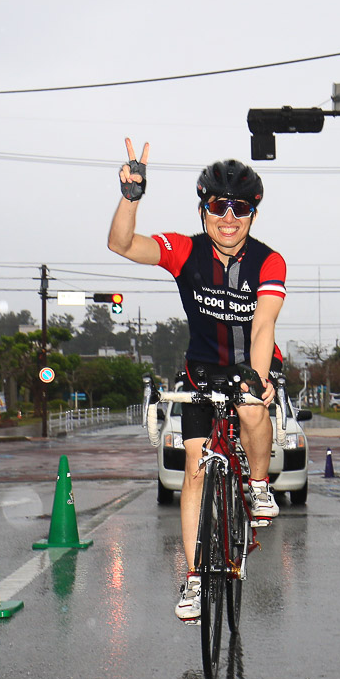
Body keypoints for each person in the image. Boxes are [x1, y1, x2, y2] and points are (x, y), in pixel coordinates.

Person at [107, 138, 286, 621]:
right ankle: (192, 576)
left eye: (241, 208)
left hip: (253, 363)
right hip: (201, 372)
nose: (229, 217)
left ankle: (258, 483)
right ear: (204, 208)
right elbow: (121, 245)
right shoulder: (186, 251)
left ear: (253, 213)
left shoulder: (269, 262)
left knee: (251, 406)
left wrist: (257, 377)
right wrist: (130, 197)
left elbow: (264, 324)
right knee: (194, 467)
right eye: (218, 206)